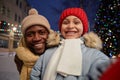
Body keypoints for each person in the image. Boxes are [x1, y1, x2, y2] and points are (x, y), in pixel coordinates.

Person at [30, 7, 109, 80]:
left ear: (83, 27)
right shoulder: (48, 53)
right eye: (66, 22)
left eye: (76, 22)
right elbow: (34, 75)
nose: (70, 26)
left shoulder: (94, 55)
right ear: (61, 27)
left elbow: (107, 71)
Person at [14, 8, 60, 80]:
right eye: (30, 34)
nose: (36, 38)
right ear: (24, 38)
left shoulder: (58, 52)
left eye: (42, 33)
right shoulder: (20, 57)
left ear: (48, 34)